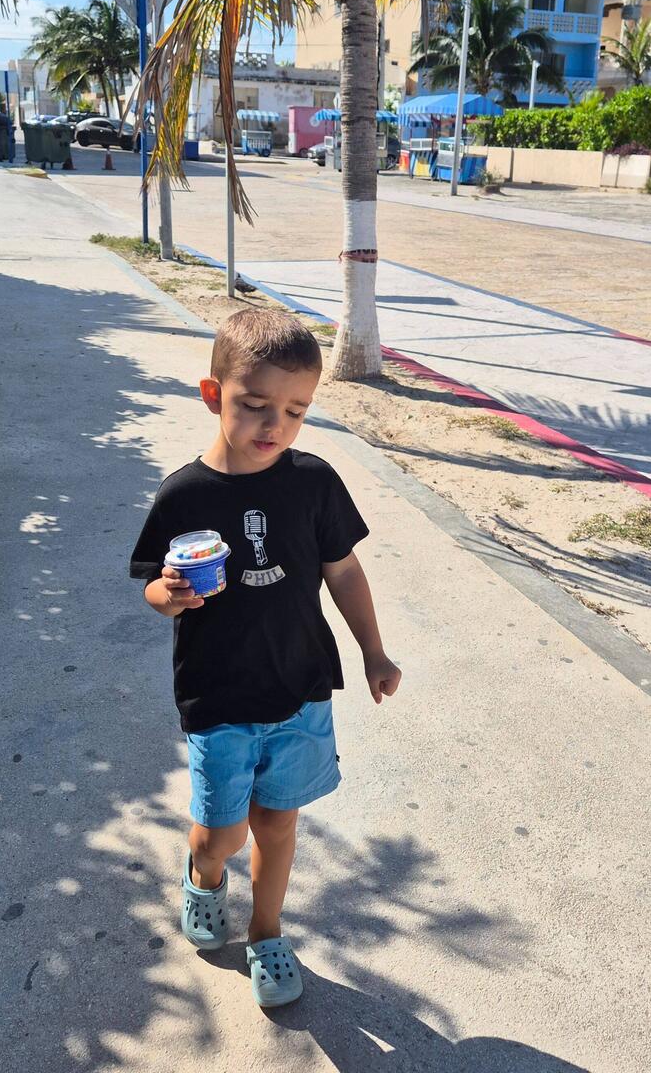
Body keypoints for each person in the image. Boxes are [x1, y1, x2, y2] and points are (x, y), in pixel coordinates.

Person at [130, 307, 401, 1007]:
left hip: (300, 687)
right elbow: (154, 590)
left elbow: (342, 570)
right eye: (254, 406)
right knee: (220, 832)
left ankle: (267, 932)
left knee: (279, 822)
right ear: (213, 394)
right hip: (218, 695)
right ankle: (204, 876)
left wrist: (373, 651)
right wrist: (169, 595)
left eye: (294, 411)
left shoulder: (312, 483)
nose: (273, 426)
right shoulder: (183, 495)